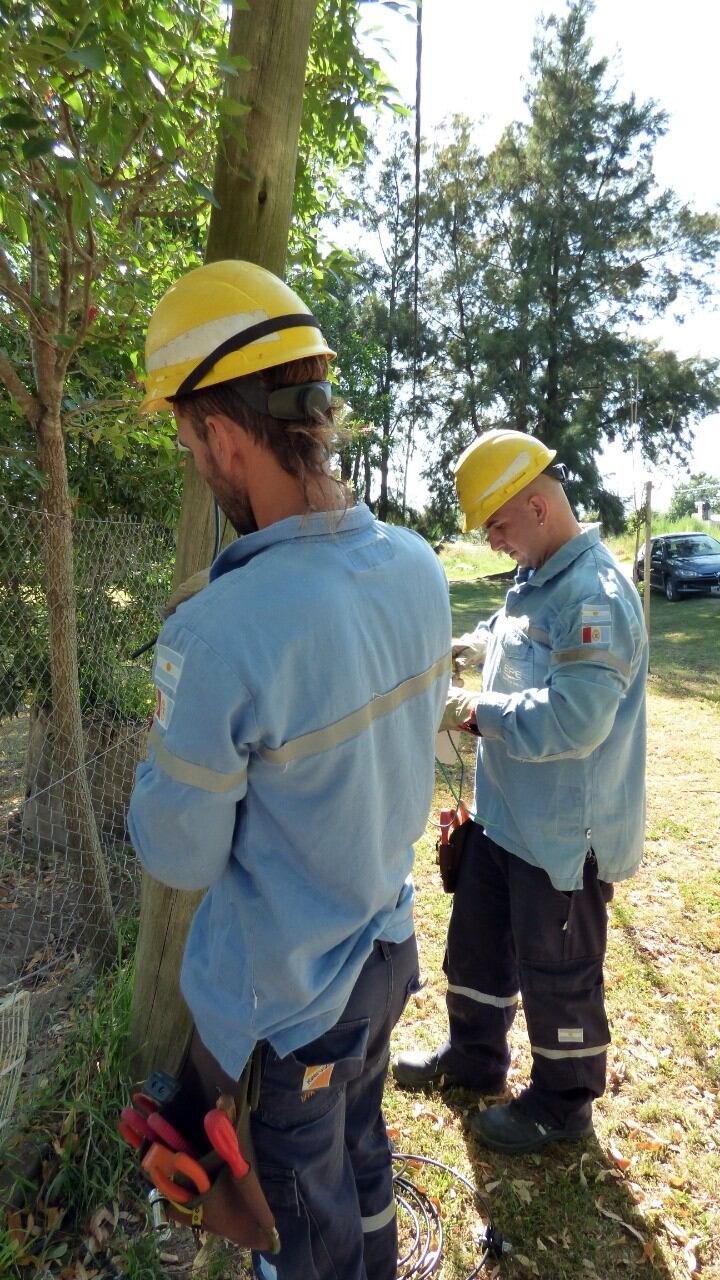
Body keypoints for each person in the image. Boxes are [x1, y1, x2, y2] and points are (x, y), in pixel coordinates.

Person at [127, 259, 452, 1280]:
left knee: (300, 1235)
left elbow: (177, 848)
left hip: (287, 1016)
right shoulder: (418, 565)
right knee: (362, 1162)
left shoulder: (219, 629)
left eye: (190, 444)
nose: (197, 462)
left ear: (223, 434)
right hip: (387, 955)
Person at [393, 428, 648, 1156]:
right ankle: (474, 1059)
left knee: (558, 972)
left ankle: (563, 1105)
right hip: (505, 819)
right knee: (476, 948)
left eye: (499, 526)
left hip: (566, 836)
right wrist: (471, 647)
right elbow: (514, 632)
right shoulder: (538, 578)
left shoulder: (595, 595)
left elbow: (575, 718)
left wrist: (474, 711)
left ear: (537, 506)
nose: (496, 542)